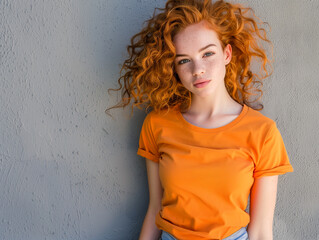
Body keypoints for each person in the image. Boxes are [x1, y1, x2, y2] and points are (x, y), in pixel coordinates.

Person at [106, 0, 294, 239]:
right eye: (184, 60)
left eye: (208, 53)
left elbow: (260, 231)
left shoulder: (263, 132)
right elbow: (155, 208)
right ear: (173, 67)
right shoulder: (157, 124)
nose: (198, 69)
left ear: (227, 53)